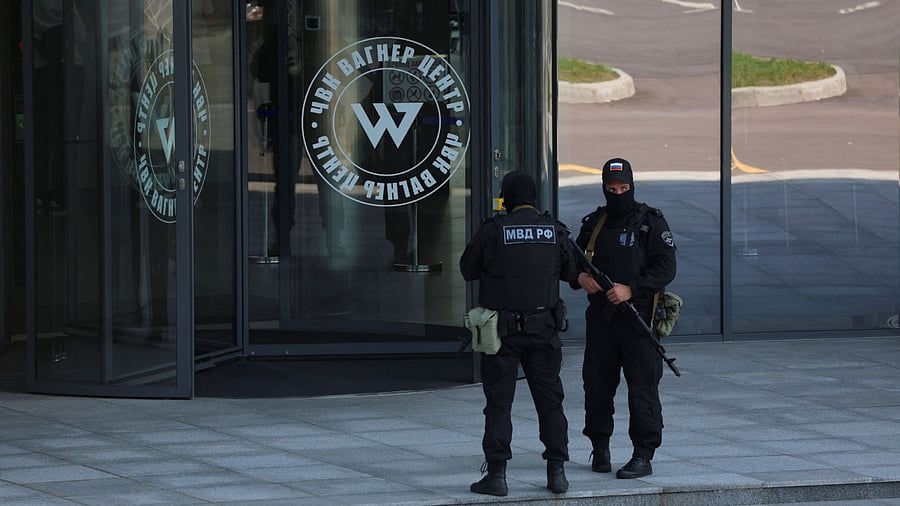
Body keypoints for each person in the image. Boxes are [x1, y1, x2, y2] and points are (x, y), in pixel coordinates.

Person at [460, 170, 580, 496]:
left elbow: (467, 269)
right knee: (550, 403)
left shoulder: (493, 231)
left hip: (502, 334)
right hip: (544, 332)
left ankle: (496, 475)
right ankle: (557, 472)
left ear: (507, 199)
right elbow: (573, 273)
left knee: (499, 404)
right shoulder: (555, 231)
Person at [571, 157, 677, 479]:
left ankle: (643, 454)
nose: (618, 194)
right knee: (597, 387)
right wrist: (580, 278)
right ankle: (600, 448)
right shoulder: (595, 224)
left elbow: (665, 268)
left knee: (643, 389)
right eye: (611, 189)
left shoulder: (651, 222)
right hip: (602, 323)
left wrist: (631, 289)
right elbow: (571, 259)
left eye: (624, 188)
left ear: (632, 186)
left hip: (638, 321)